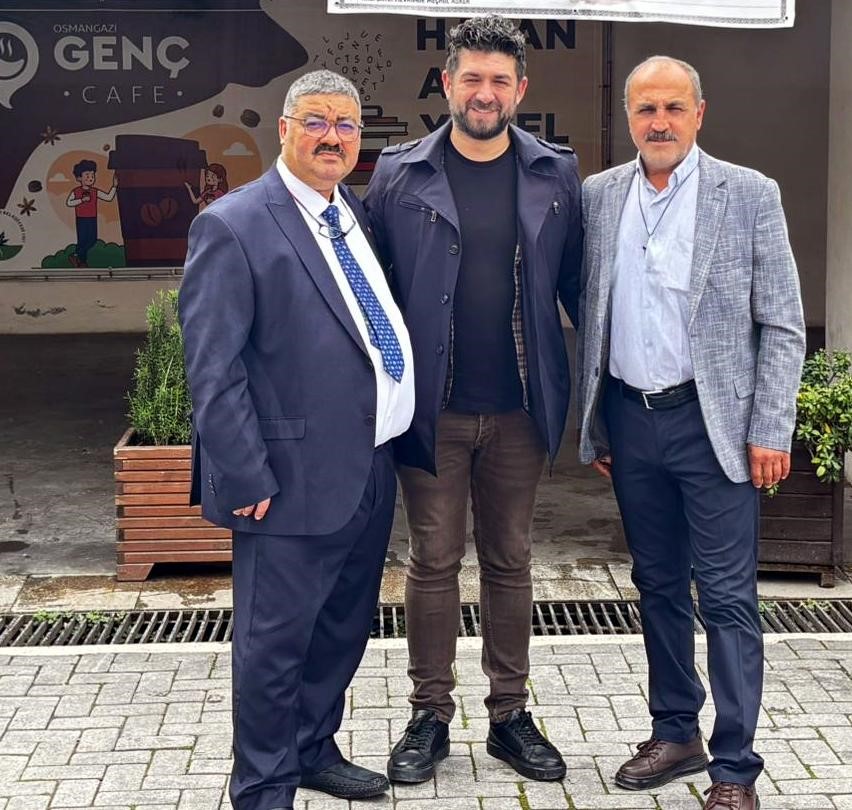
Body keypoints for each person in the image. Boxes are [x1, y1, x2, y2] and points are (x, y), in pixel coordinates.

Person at [179, 69, 414, 810]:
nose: (331, 137)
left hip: (367, 467)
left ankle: (312, 749)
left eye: (345, 124)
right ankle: (263, 786)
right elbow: (212, 368)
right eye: (315, 120)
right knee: (273, 646)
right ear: (283, 129)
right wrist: (244, 474)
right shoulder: (234, 225)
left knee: (341, 630)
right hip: (283, 479)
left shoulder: (354, 214)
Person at [577, 55, 805, 810]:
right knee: (657, 586)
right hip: (631, 421)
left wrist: (770, 426)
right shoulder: (600, 196)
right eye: (646, 109)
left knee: (730, 599)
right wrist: (598, 423)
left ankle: (735, 769)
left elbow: (782, 323)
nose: (660, 122)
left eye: (674, 108)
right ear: (629, 117)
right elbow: (589, 305)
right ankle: (676, 732)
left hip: (717, 429)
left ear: (699, 114)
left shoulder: (749, 193)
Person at [364, 14, 582, 784]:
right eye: (471, 78)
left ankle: (509, 716)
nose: (484, 93)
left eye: (499, 80)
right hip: (435, 410)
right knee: (432, 560)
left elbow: (580, 286)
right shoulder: (399, 175)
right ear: (447, 83)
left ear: (520, 88)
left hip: (521, 409)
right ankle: (429, 715)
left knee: (511, 559)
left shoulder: (556, 173)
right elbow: (372, 293)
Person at [65, 159, 117, 267]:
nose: (90, 178)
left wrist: (114, 186)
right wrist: (81, 200)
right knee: (82, 240)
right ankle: (82, 262)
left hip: (92, 218)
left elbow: (108, 197)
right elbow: (69, 203)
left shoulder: (95, 191)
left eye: (92, 176)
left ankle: (76, 255)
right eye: (87, 175)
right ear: (79, 178)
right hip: (81, 218)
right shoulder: (76, 191)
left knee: (92, 240)